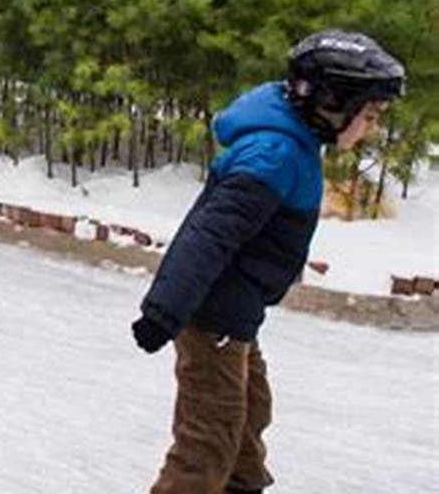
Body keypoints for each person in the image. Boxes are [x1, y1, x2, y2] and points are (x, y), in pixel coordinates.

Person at [132, 29, 406, 494]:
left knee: (249, 417)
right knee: (205, 450)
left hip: (234, 314)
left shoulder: (294, 140)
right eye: (370, 115)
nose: (372, 128)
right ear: (332, 102)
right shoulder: (274, 153)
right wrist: (164, 312)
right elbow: (210, 235)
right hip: (211, 315)